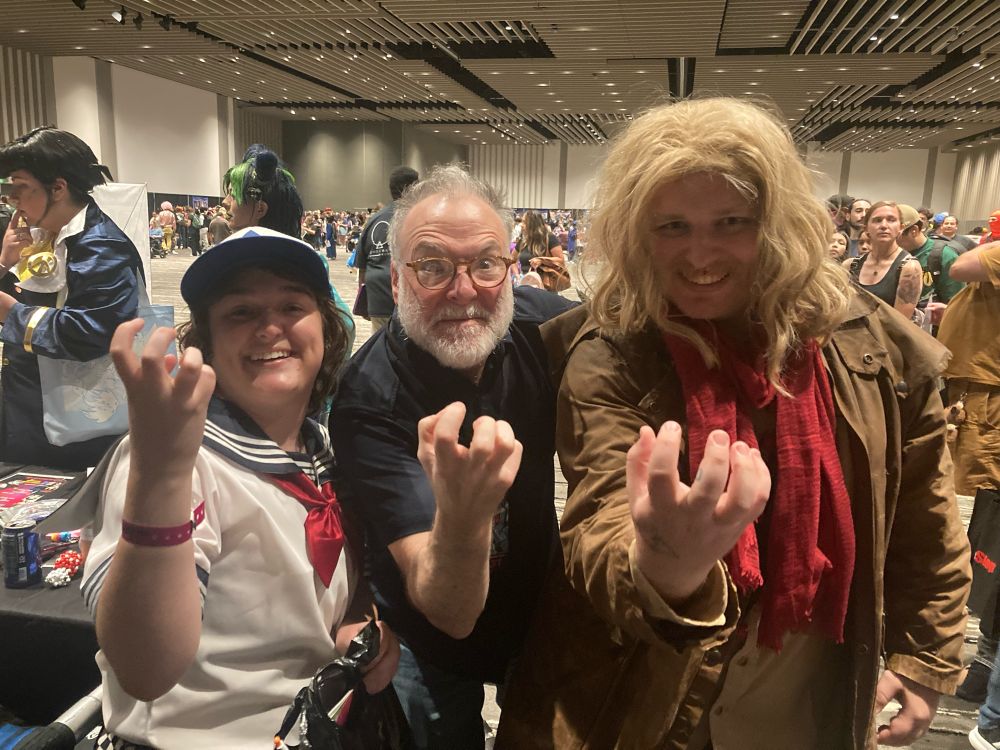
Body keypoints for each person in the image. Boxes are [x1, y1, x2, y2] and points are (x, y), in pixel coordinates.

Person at [496, 97, 971, 750]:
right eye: (672, 226)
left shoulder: (869, 344)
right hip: (641, 695)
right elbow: (599, 513)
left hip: (808, 698)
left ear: (776, 223)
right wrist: (665, 565)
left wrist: (926, 654)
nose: (700, 254)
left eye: (731, 222)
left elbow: (924, 510)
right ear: (637, 234)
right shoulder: (612, 349)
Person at [80, 226, 398, 748]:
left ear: (326, 326)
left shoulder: (322, 450)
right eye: (240, 312)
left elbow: (337, 579)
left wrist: (356, 620)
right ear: (205, 342)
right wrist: (160, 475)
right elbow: (144, 669)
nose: (270, 327)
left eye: (292, 306)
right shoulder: (179, 461)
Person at [330, 165, 575, 749]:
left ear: (510, 269)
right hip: (427, 640)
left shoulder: (540, 329)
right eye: (433, 267)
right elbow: (450, 613)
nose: (464, 291)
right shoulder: (370, 398)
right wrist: (466, 517)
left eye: (485, 264)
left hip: (537, 613)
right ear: (395, 280)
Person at [0, 126, 145, 470]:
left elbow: (92, 331)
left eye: (21, 187)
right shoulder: (39, 237)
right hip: (35, 407)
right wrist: (4, 261)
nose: (12, 199)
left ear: (58, 187)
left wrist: (12, 314)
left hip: (75, 423)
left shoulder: (100, 245)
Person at [221, 144, 355, 357]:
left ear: (260, 208)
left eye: (232, 196)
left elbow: (342, 329)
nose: (225, 202)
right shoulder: (228, 259)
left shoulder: (302, 264)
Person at [356, 166, 419, 331]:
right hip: (409, 300)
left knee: (381, 343)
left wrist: (365, 299)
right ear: (413, 187)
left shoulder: (373, 220)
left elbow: (362, 266)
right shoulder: (418, 218)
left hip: (377, 298)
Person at [844, 200, 923, 322]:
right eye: (877, 220)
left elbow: (900, 324)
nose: (884, 226)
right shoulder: (850, 266)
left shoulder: (909, 268)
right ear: (866, 228)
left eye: (891, 220)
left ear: (901, 228)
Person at [894, 203, 965, 329]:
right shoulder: (892, 255)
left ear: (914, 231)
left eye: (896, 236)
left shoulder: (944, 256)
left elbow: (956, 304)